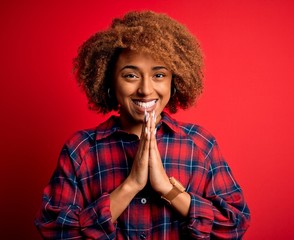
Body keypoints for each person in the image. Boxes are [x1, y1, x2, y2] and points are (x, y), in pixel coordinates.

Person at [35, 11, 250, 239]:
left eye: (159, 75)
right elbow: (56, 232)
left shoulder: (199, 144)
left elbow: (234, 224)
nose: (146, 90)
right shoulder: (81, 150)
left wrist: (168, 190)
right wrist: (131, 185)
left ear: (174, 82)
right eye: (130, 76)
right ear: (109, 81)